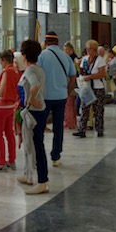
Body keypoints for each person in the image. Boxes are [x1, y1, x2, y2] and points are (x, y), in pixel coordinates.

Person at [37, 31, 76, 166]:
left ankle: (39, 157)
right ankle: (56, 156)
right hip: (61, 97)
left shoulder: (41, 56)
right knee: (58, 127)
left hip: (46, 97)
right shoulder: (66, 57)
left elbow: (37, 76)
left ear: (46, 42)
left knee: (40, 126)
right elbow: (73, 76)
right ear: (58, 42)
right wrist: (67, 90)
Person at [17, 39, 50, 194]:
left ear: (24, 55)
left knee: (36, 145)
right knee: (31, 144)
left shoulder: (30, 71)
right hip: (39, 111)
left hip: (33, 112)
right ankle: (28, 174)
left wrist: (30, 99)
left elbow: (35, 86)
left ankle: (42, 181)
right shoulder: (39, 69)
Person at [0, 49, 20, 171]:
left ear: (4, 60)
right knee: (9, 133)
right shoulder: (16, 71)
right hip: (11, 105)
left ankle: (1, 162)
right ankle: (11, 160)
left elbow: (1, 91)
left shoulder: (7, 71)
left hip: (1, 106)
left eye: (0, 61)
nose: (0, 64)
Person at [74, 39, 107, 138]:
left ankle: (99, 129)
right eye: (87, 48)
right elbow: (81, 70)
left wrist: (90, 76)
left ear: (94, 49)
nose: (88, 51)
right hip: (87, 88)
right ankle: (81, 130)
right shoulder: (85, 59)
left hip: (97, 88)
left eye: (90, 49)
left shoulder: (99, 60)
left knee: (98, 110)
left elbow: (102, 74)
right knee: (85, 108)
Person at [63, 41, 79, 128]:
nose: (65, 51)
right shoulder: (68, 58)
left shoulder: (72, 58)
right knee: (70, 103)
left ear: (71, 50)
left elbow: (78, 63)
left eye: (67, 49)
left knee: (69, 103)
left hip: (71, 82)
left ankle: (70, 122)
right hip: (71, 81)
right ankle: (71, 121)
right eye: (64, 49)